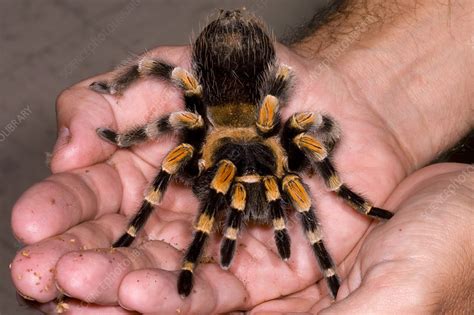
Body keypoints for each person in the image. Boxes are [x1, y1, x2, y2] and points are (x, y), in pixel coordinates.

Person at [10, 0, 473, 313]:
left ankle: (333, 239)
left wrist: (350, 196)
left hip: (255, 126)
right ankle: (177, 252)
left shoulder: (280, 142)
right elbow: (173, 115)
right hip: (229, 121)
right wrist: (132, 138)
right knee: (185, 105)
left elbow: (316, 131)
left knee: (297, 148)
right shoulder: (208, 137)